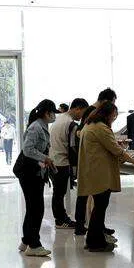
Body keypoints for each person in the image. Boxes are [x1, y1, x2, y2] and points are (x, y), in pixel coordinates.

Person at [77, 101, 134, 252]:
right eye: (114, 115)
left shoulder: (89, 125)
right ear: (107, 114)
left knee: (98, 207)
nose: (114, 118)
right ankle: (95, 242)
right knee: (100, 208)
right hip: (100, 173)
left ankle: (93, 240)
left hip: (92, 171)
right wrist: (133, 160)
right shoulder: (101, 128)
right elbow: (115, 149)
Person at [16, 99, 57, 258]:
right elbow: (27, 149)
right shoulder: (36, 127)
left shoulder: (41, 126)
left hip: (33, 171)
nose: (54, 116)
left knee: (33, 207)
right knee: (36, 208)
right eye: (53, 113)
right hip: (28, 172)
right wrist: (45, 158)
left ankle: (26, 241)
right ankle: (34, 245)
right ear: (47, 113)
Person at [47, 98, 86, 230]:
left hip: (53, 159)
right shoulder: (71, 124)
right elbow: (73, 146)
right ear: (78, 108)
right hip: (62, 162)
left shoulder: (59, 119)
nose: (82, 116)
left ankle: (61, 218)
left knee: (57, 193)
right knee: (59, 194)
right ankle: (60, 220)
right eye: (83, 112)